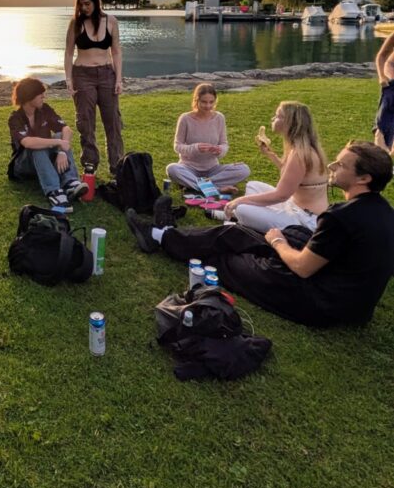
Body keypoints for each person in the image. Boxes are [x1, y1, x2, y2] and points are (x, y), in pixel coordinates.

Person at [128, 141, 394, 327]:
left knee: (222, 258)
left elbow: (302, 268)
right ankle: (163, 234)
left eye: (342, 164)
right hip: (347, 299)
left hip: (316, 300)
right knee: (235, 235)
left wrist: (278, 242)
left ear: (364, 179)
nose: (333, 166)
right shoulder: (384, 212)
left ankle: (163, 236)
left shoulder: (343, 217)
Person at [221, 101, 328, 232]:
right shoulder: (300, 148)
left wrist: (240, 200)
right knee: (253, 185)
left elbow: (281, 195)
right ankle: (240, 218)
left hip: (305, 220)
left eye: (277, 116)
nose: (273, 119)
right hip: (295, 206)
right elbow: (290, 175)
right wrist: (271, 155)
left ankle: (237, 218)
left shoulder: (300, 154)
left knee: (241, 208)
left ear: (289, 123)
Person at [64, 0, 124, 176]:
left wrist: (118, 79)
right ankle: (90, 164)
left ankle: (117, 166)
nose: (83, 8)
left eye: (87, 4)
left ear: (96, 2)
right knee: (85, 121)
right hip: (82, 75)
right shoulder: (75, 23)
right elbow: (68, 52)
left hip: (107, 75)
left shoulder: (111, 21)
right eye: (80, 4)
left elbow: (116, 52)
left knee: (112, 121)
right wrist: (68, 79)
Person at [8, 77, 87, 212]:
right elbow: (27, 142)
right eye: (40, 94)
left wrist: (62, 150)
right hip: (23, 165)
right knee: (36, 146)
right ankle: (54, 192)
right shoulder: (15, 118)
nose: (43, 96)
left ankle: (70, 183)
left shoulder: (44, 109)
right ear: (29, 96)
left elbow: (66, 129)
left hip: (44, 161)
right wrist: (58, 143)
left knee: (59, 135)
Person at [166, 83, 250, 193]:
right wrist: (195, 148)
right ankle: (217, 188)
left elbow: (224, 143)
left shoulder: (219, 118)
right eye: (204, 102)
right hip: (188, 168)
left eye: (211, 102)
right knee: (172, 169)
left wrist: (219, 150)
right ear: (196, 100)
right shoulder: (185, 118)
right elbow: (177, 146)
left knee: (243, 169)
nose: (208, 106)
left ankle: (197, 185)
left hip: (212, 169)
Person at [374, 30, 394, 154]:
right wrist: (382, 76)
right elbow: (381, 56)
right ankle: (379, 135)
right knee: (389, 103)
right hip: (391, 69)